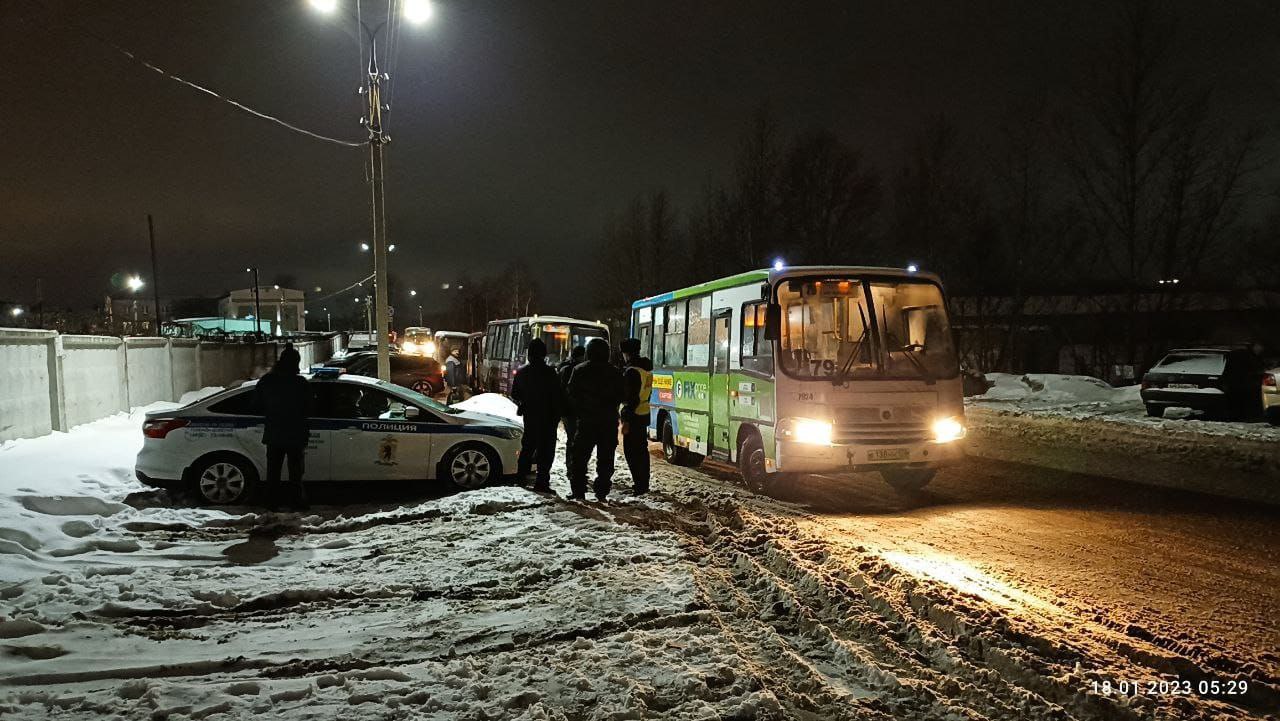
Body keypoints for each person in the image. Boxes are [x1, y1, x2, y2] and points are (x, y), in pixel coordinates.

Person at [252, 343, 313, 510]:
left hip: (274, 433)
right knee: (296, 472)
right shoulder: (301, 383)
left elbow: (256, 405)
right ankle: (296, 502)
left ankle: (272, 502)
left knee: (273, 471)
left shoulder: (267, 381)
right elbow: (310, 407)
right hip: (296, 434)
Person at [567, 338, 624, 501]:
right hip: (608, 422)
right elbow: (622, 395)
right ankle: (602, 491)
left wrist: (581, 410)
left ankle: (578, 490)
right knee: (606, 459)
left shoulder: (579, 370)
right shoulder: (615, 372)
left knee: (579, 458)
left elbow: (572, 394)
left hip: (586, 421)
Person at [510, 338, 562, 493]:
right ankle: (542, 482)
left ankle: (521, 479)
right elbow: (558, 396)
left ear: (529, 354)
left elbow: (515, 394)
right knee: (546, 451)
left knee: (527, 448)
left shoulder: (522, 372)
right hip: (548, 418)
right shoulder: (550, 373)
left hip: (530, 416)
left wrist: (525, 402)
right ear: (544, 354)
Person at [619, 337, 654, 495]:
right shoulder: (646, 369)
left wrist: (626, 420)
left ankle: (639, 485)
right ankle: (643, 483)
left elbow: (631, 398)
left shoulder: (632, 371)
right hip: (644, 413)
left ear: (626, 353)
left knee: (631, 452)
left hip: (634, 415)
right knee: (641, 451)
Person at [557, 345, 586, 470]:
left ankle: (571, 465)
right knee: (576, 438)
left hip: (566, 410)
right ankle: (574, 465)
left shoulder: (564, 369)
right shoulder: (580, 370)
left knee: (572, 438)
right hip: (574, 410)